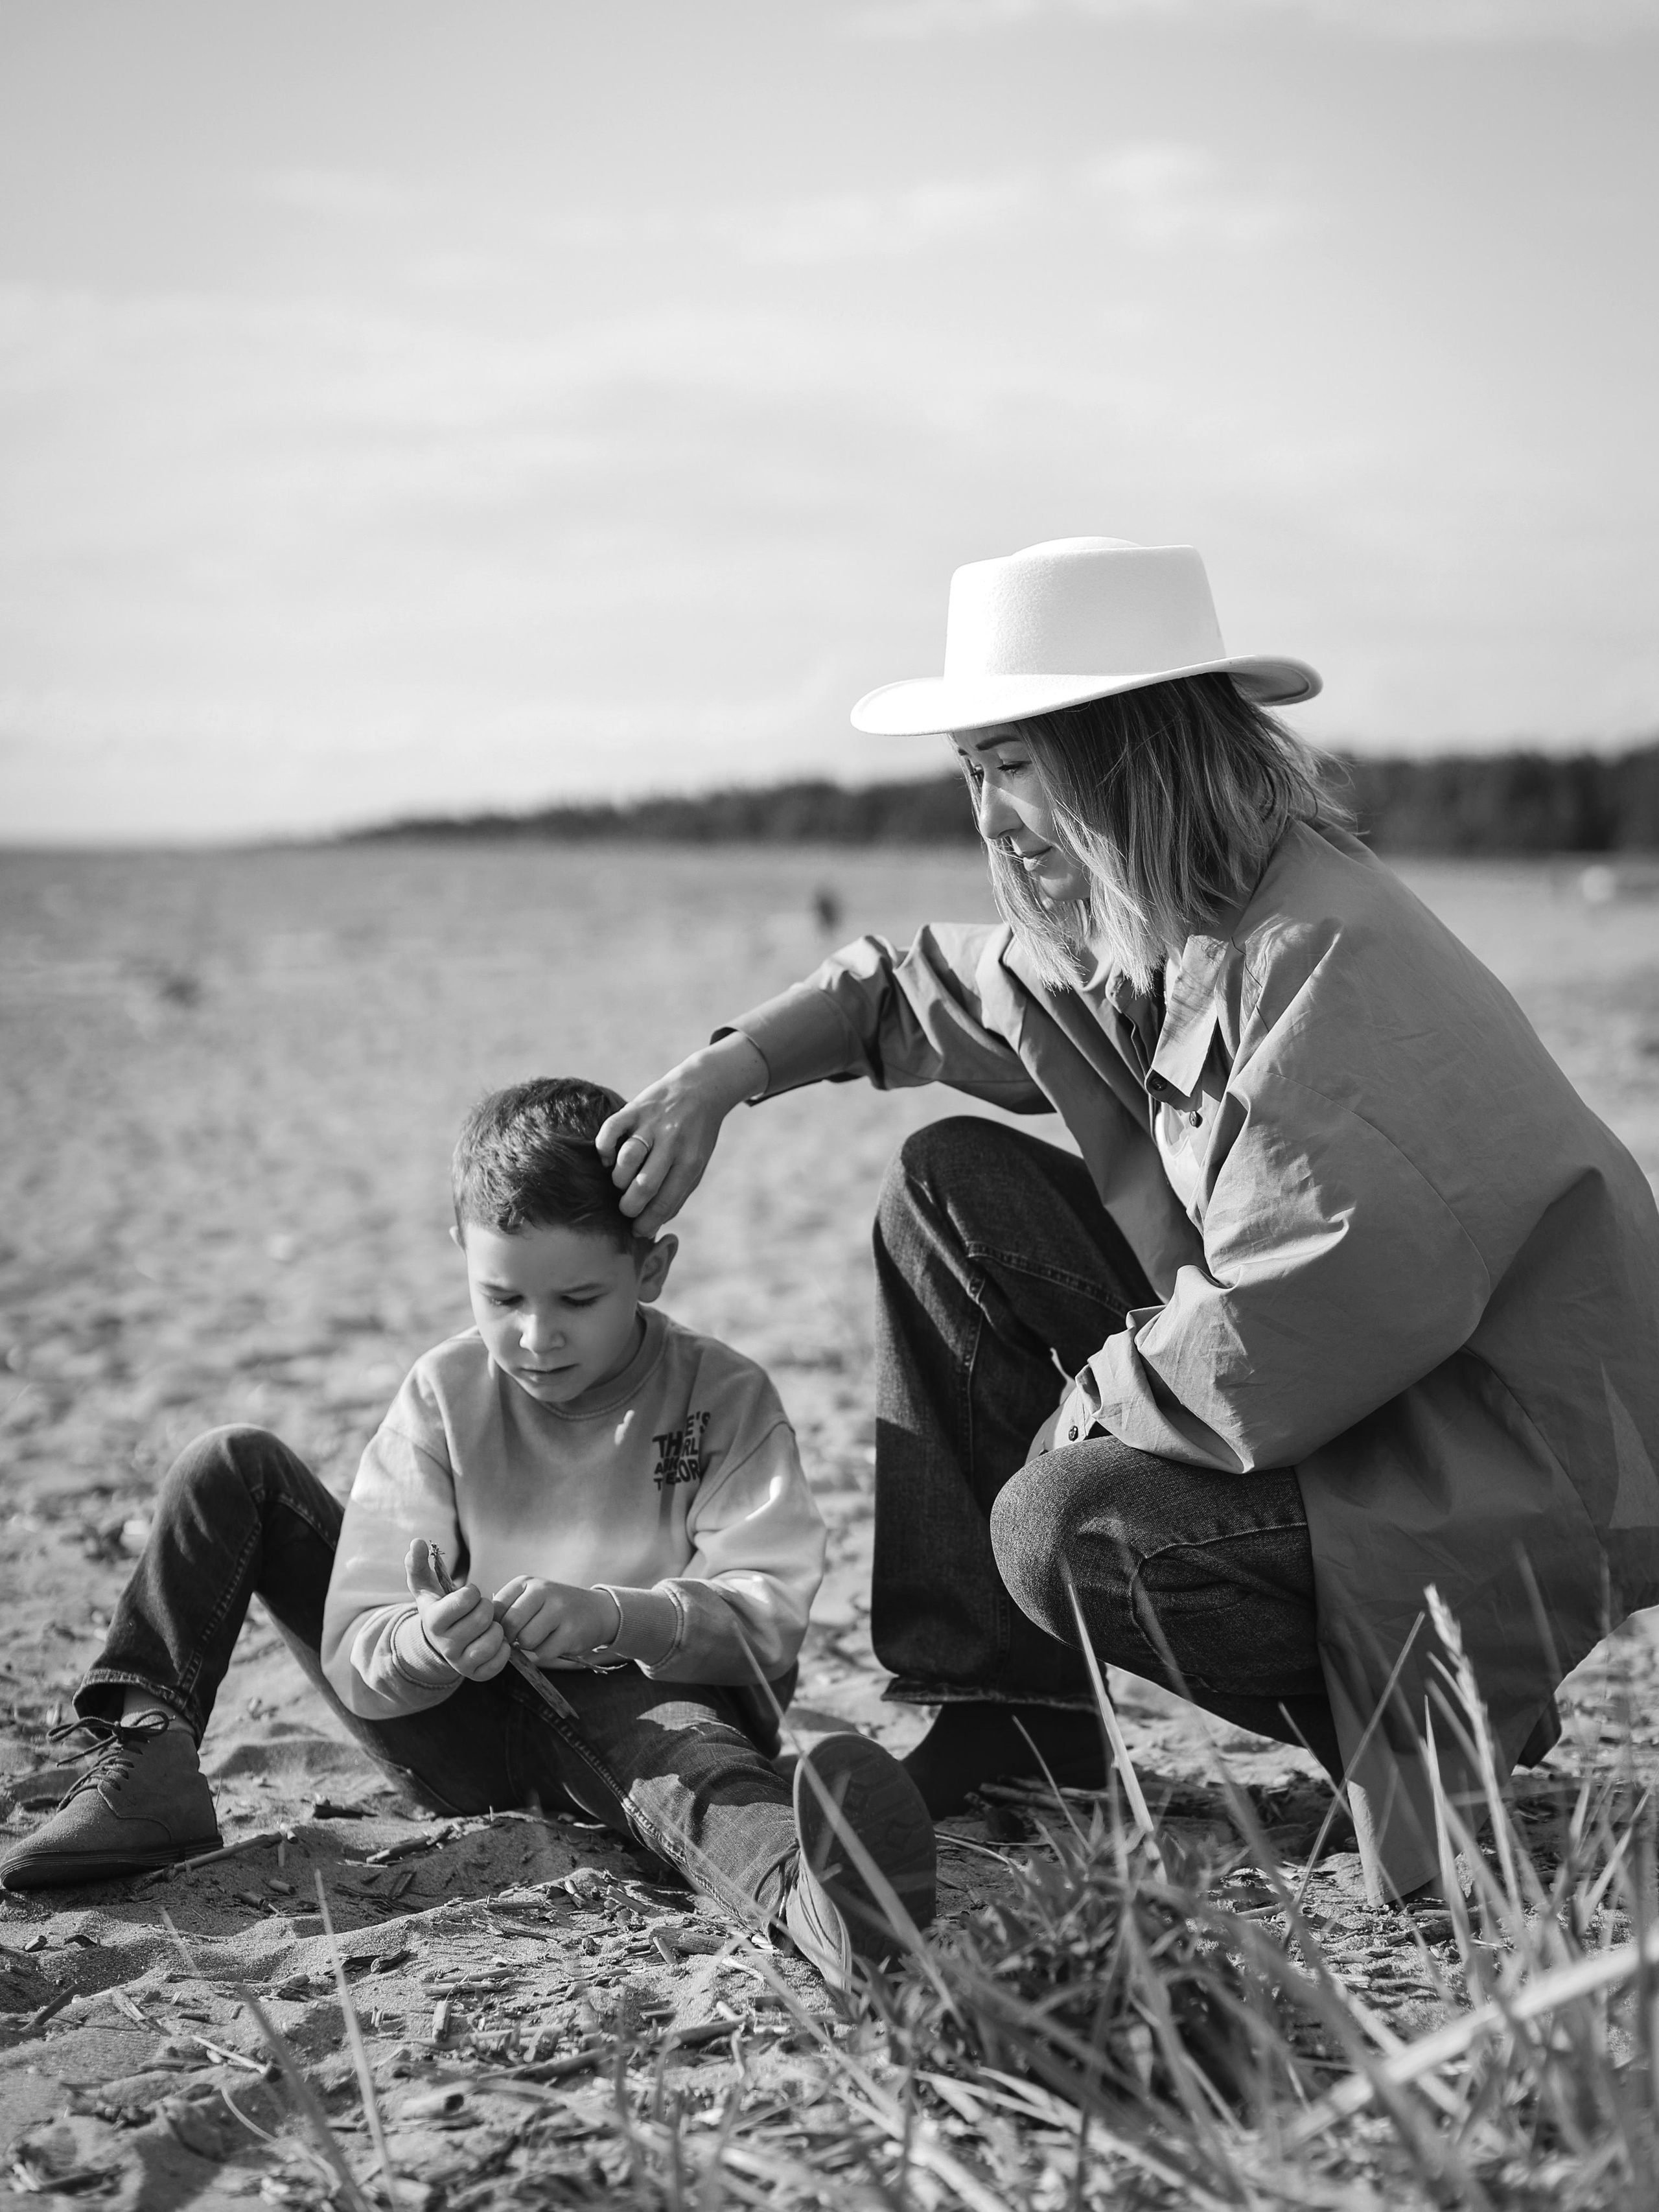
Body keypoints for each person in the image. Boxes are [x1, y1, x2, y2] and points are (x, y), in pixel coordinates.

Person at [596, 536, 1659, 1905]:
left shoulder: (1323, 959)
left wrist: (1087, 1403)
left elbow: (1300, 1318)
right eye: (969, 772)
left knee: (1061, 1524)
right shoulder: (1146, 917)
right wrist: (728, 1070)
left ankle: (1439, 1712)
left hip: (1482, 1465)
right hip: (1347, 1386)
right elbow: (926, 987)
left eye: (1011, 767)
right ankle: (1013, 1732)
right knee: (947, 1191)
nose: (983, 818)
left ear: (1124, 755)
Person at [1, 1078, 936, 1990]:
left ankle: (816, 1908)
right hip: (458, 1725)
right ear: (461, 1254)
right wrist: (425, 1640)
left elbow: (766, 1617)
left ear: (650, 1267)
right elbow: (361, 1642)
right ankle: (150, 1761)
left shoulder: (724, 1396)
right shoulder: (443, 1394)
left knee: (695, 1766)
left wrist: (617, 1617)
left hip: (648, 1708)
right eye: (503, 1299)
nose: (536, 1337)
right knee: (226, 1463)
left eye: (577, 1300)